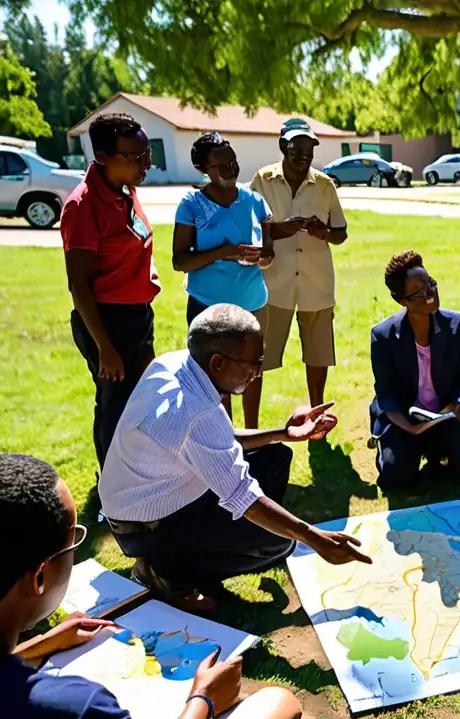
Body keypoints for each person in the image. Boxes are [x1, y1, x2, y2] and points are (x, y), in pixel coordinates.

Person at [0, 452, 302, 719]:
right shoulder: (77, 707)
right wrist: (204, 700)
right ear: (39, 577)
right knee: (278, 706)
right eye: (73, 542)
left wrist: (34, 647)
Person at [99, 304, 370, 613]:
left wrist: (283, 432)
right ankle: (166, 571)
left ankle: (190, 552)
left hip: (152, 502)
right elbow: (244, 497)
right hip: (144, 528)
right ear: (217, 363)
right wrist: (314, 538)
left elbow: (219, 439)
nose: (258, 371)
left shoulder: (177, 365)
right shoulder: (193, 410)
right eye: (254, 362)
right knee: (276, 544)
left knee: (274, 457)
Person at [62, 112, 160, 469]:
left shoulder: (124, 190)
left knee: (140, 401)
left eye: (147, 153)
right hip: (107, 322)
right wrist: (105, 347)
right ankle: (115, 491)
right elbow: (79, 284)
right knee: (115, 408)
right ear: (102, 157)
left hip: (136, 315)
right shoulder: (83, 205)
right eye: (134, 157)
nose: (144, 163)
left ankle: (139, 475)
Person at [248, 119, 348, 426]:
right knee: (257, 357)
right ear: (283, 147)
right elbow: (249, 229)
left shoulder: (325, 185)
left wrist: (323, 232)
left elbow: (341, 233)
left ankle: (317, 415)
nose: (304, 156)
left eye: (309, 150)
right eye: (297, 149)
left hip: (316, 284)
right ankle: (251, 426)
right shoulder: (263, 181)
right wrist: (278, 230)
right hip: (272, 285)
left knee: (318, 354)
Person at [172, 132, 274, 427]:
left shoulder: (255, 201)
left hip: (252, 303)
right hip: (209, 308)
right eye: (221, 166)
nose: (230, 169)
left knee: (253, 368)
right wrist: (223, 252)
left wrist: (261, 257)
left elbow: (269, 254)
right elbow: (180, 261)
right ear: (203, 170)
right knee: (215, 374)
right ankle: (225, 436)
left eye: (233, 162)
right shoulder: (191, 204)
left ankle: (253, 434)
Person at [369, 251, 460, 489]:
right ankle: (393, 446)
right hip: (404, 419)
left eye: (430, 283)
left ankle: (437, 450)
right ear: (402, 299)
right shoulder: (383, 335)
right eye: (419, 291)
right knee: (395, 479)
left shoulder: (457, 324)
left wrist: (458, 404)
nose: (430, 292)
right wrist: (409, 427)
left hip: (446, 414)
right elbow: (386, 393)